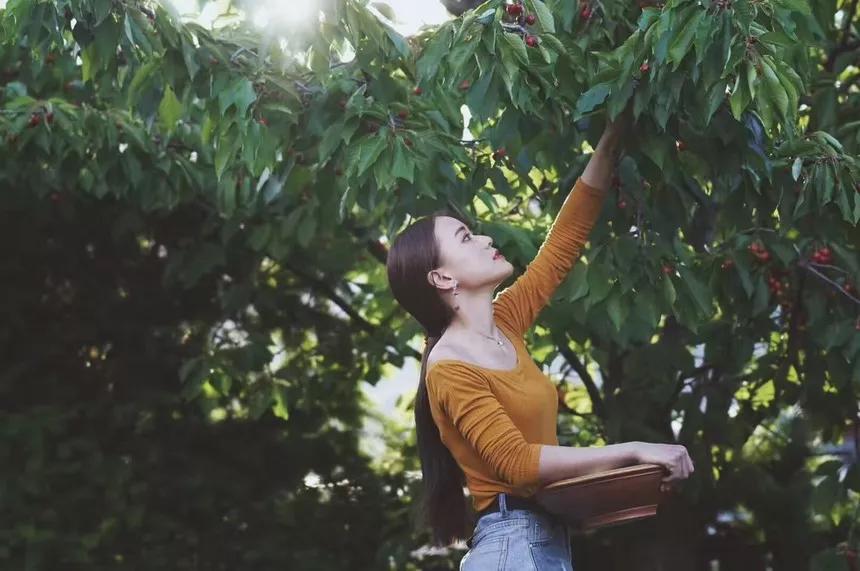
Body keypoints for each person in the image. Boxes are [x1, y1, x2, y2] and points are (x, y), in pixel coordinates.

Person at [385, 114, 694, 570]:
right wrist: (633, 450)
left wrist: (610, 142)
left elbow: (561, 246)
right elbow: (520, 465)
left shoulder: (505, 322)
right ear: (442, 277)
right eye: (466, 238)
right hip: (514, 548)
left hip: (539, 543)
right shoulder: (449, 368)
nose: (486, 237)